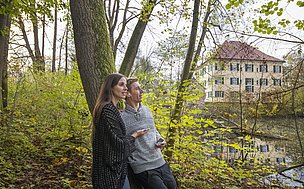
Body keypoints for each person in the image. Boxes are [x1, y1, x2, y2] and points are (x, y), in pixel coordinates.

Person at [92, 73, 149, 189]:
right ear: (111, 87)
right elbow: (118, 145)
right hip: (109, 173)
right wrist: (134, 135)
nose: (125, 88)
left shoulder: (111, 109)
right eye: (121, 85)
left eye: (126, 86)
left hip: (114, 170)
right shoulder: (107, 110)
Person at [121, 78, 178, 189]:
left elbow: (154, 131)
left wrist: (161, 140)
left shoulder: (147, 110)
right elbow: (122, 144)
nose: (142, 91)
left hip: (160, 161)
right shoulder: (122, 118)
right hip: (143, 167)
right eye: (137, 88)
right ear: (128, 93)